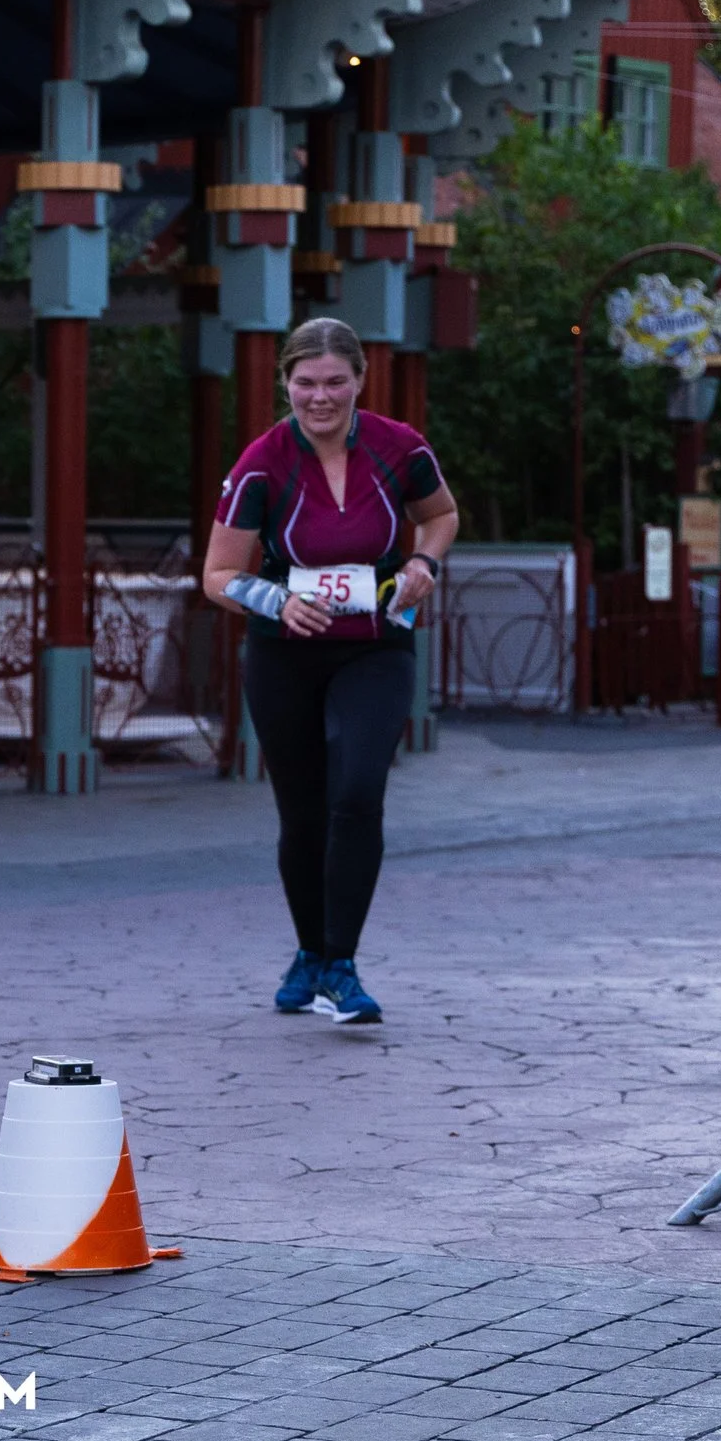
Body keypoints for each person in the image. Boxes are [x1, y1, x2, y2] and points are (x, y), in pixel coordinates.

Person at [203, 318, 459, 1025]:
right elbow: (217, 575)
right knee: (304, 810)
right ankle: (310, 951)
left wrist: (423, 561)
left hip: (375, 644)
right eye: (306, 383)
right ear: (286, 383)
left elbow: (441, 515)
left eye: (335, 382)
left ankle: (340, 968)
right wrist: (277, 601)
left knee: (358, 789)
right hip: (284, 653)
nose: (320, 397)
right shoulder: (262, 462)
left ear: (359, 381)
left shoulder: (400, 447)